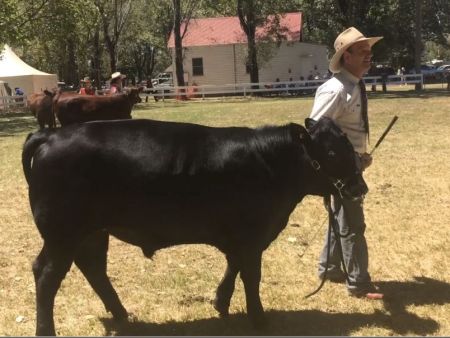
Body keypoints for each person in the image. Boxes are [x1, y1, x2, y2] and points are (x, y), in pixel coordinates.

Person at [309, 27, 384, 300]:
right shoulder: (335, 90)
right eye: (362, 50)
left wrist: (359, 156)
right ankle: (359, 284)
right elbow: (316, 133)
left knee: (341, 217)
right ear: (346, 55)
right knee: (353, 224)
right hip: (340, 169)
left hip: (351, 164)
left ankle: (329, 268)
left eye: (369, 50)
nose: (369, 55)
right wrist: (341, 162)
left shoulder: (355, 84)